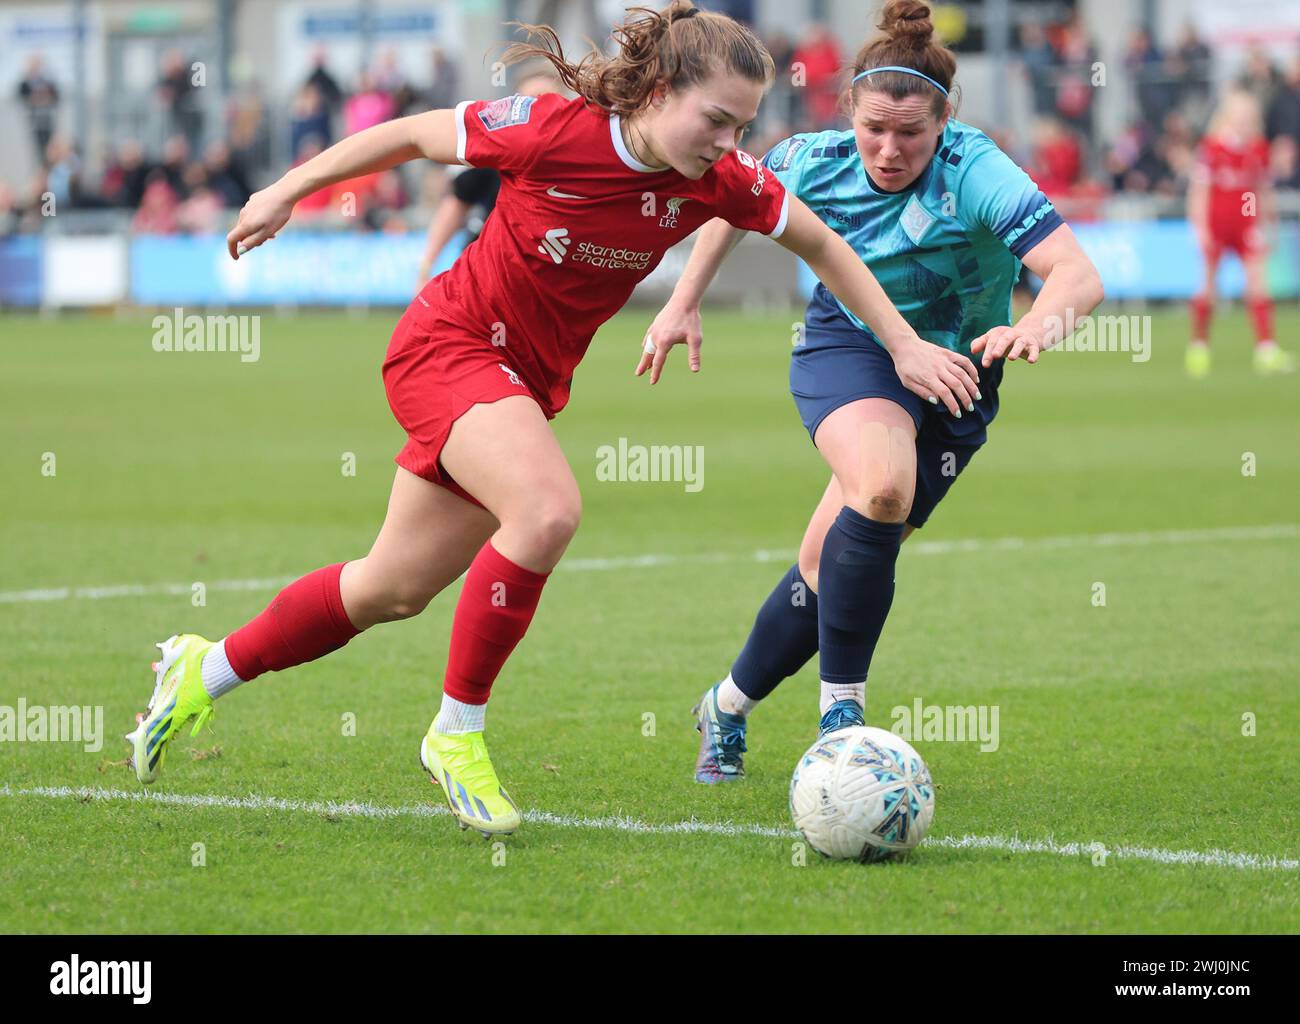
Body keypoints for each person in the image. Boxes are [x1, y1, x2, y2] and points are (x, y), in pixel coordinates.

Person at [124, 1, 977, 838]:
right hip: (449, 346)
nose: (729, 144)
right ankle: (455, 735)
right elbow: (413, 134)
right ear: (659, 92)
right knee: (548, 510)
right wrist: (286, 187)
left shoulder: (721, 180)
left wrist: (900, 346)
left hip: (520, 385)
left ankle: (207, 667)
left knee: (390, 588)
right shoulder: (549, 129)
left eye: (743, 127)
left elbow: (823, 245)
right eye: (715, 119)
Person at [639, 0, 1104, 782]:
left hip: (960, 377)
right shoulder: (811, 158)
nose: (888, 150)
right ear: (847, 107)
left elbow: (1077, 274)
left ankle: (723, 707)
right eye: (872, 129)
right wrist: (684, 297)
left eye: (911, 134)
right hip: (851, 349)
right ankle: (841, 722)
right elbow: (730, 201)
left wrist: (1036, 326)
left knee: (828, 567)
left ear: (944, 123)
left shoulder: (978, 170)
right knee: (883, 489)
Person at [415, 70, 564, 287]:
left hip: (546, 279)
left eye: (548, 100)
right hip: (485, 274)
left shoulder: (579, 162)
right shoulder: (493, 155)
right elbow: (455, 205)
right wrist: (425, 268)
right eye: (531, 102)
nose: (540, 111)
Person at [1187, 89, 1294, 377]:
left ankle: (1266, 349)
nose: (1244, 123)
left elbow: (1263, 190)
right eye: (1239, 117)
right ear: (1227, 117)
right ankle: (1199, 346)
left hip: (1247, 225)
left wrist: (1267, 224)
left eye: (1249, 118)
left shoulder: (1258, 149)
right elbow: (1200, 191)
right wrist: (1200, 228)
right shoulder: (1211, 149)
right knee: (1209, 286)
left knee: (1258, 284)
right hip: (1218, 225)